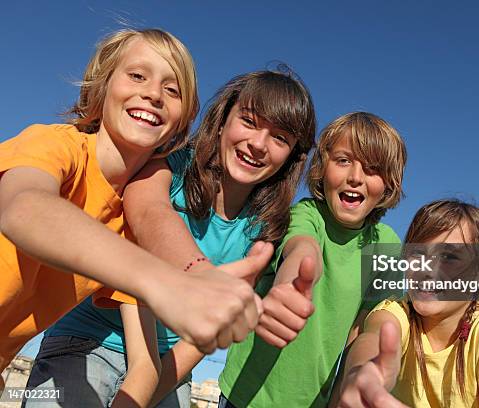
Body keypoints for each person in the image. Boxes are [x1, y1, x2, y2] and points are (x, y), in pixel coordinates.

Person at [23, 69, 316, 407]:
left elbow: (195, 341)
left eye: (280, 138)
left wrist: (143, 394)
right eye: (249, 121)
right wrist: (200, 273)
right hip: (87, 342)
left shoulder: (263, 228)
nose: (259, 144)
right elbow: (148, 212)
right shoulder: (169, 164)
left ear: (292, 157)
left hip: (169, 368)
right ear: (222, 120)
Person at [0, 28, 269, 393]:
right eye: (137, 76)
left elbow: (144, 361)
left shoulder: (123, 223)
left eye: (172, 90)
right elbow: (24, 209)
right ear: (102, 85)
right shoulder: (54, 145)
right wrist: (168, 282)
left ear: (185, 116)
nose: (154, 94)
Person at [218, 112, 407, 407]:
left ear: (389, 183)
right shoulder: (305, 214)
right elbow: (302, 250)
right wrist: (290, 285)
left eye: (372, 169)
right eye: (343, 161)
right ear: (322, 167)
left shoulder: (387, 245)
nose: (355, 177)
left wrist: (364, 370)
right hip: (244, 397)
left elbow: (369, 325)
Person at [335, 199, 479, 408]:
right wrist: (363, 372)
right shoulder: (397, 312)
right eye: (418, 254)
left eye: (449, 256)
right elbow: (374, 336)